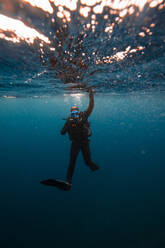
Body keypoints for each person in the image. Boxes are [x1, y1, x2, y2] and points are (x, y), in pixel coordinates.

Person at [61, 89, 99, 188]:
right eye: (73, 113)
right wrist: (67, 124)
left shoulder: (84, 116)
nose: (75, 114)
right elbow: (62, 133)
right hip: (75, 143)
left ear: (78, 112)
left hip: (85, 142)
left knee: (87, 162)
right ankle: (68, 181)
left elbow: (91, 107)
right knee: (72, 162)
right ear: (71, 113)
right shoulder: (69, 121)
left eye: (76, 112)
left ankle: (95, 168)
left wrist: (91, 96)